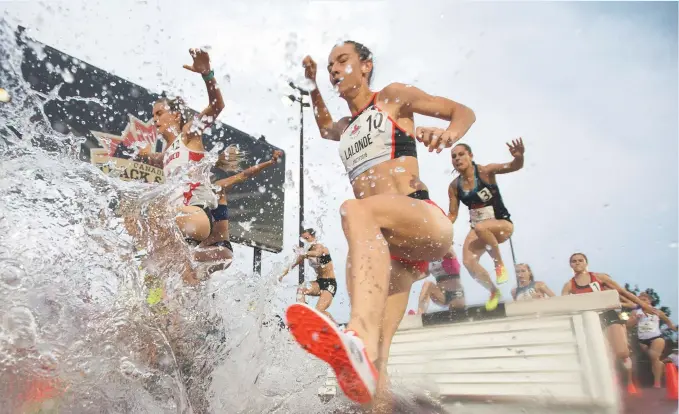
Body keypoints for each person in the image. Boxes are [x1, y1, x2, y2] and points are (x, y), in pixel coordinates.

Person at [284, 40, 475, 407]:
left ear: (366, 66)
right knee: (375, 363)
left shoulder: (391, 98)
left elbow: (462, 111)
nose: (334, 70)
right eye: (329, 66)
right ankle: (371, 375)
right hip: (390, 252)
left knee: (356, 210)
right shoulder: (346, 126)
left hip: (421, 221)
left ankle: (358, 334)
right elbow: (325, 127)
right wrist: (311, 85)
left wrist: (448, 136)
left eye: (343, 61)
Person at [137, 47, 225, 252]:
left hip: (197, 216)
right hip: (177, 221)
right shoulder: (166, 153)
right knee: (168, 272)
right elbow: (158, 158)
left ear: (176, 115)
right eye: (154, 115)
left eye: (160, 113)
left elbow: (217, 106)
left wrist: (207, 74)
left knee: (151, 213)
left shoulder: (188, 134)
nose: (155, 119)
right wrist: (145, 155)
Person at [561, 252, 658, 395]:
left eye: (580, 260)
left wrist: (644, 305)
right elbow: (562, 304)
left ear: (586, 262)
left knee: (622, 352)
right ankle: (612, 380)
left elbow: (623, 292)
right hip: (591, 318)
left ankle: (630, 380)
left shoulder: (600, 277)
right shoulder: (569, 285)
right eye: (574, 261)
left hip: (609, 314)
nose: (577, 263)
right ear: (570, 265)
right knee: (604, 354)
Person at [447, 140, 524, 311]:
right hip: (479, 231)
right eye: (453, 157)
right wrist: (438, 225)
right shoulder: (454, 186)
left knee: (482, 227)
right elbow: (452, 215)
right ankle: (493, 292)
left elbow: (514, 166)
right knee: (468, 261)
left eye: (461, 154)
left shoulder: (485, 172)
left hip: (502, 225)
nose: (457, 159)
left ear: (470, 156)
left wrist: (519, 157)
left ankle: (499, 264)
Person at [279, 228, 338, 322]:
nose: (305, 241)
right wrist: (281, 276)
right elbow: (292, 265)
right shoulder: (305, 253)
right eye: (303, 239)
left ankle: (336, 327)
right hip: (319, 283)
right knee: (301, 288)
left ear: (313, 237)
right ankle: (303, 316)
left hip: (330, 284)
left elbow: (317, 253)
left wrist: (304, 253)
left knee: (319, 311)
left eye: (307, 238)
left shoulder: (320, 247)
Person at [628, 291, 677, 388]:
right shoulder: (635, 312)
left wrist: (673, 328)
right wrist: (635, 319)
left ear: (650, 301)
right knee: (649, 358)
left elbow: (668, 321)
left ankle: (657, 383)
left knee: (654, 356)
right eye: (640, 300)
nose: (642, 302)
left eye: (644, 300)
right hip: (642, 340)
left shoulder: (657, 311)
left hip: (656, 338)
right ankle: (661, 366)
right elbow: (628, 325)